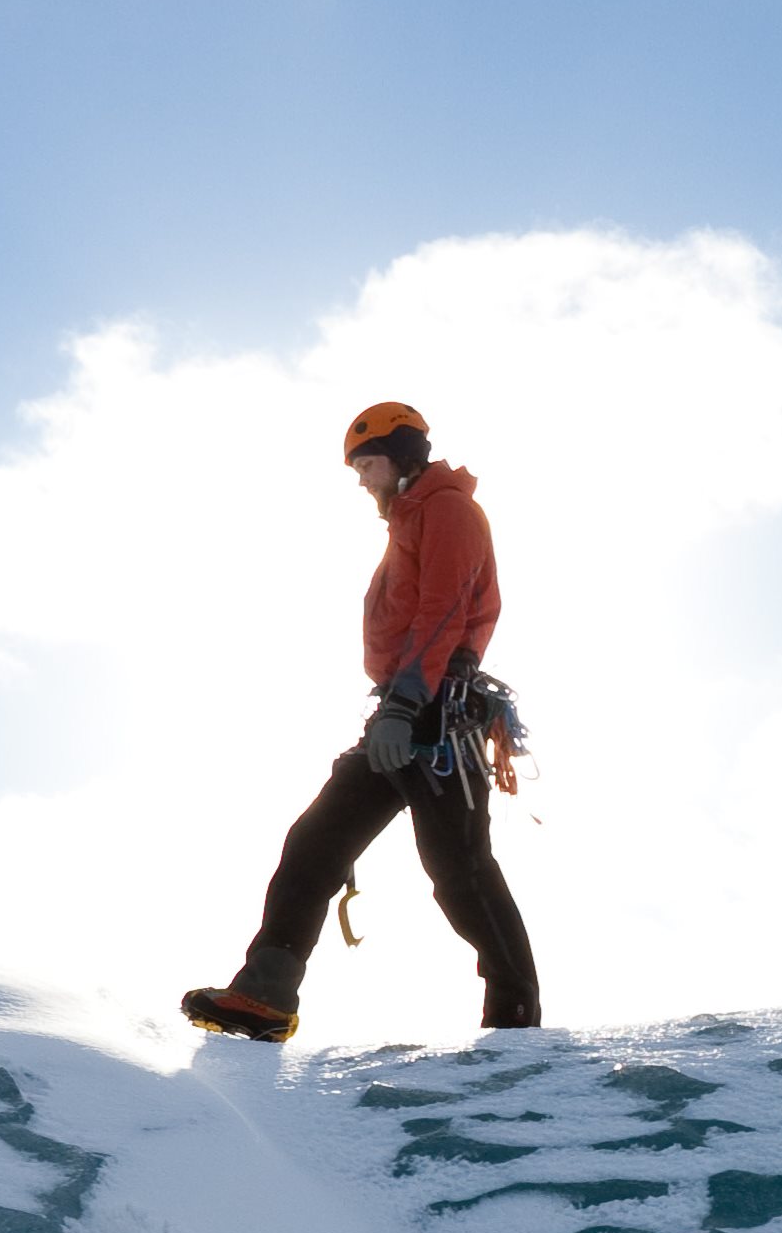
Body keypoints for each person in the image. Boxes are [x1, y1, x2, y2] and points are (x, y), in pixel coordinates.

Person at [182, 400, 541, 1041]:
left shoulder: (449, 510)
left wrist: (405, 705)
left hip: (432, 717)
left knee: (460, 873)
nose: (360, 479)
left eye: (366, 463)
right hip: (399, 719)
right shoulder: (408, 522)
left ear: (402, 456)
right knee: (314, 844)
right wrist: (394, 710)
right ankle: (265, 996)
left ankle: (514, 1020)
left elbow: (444, 613)